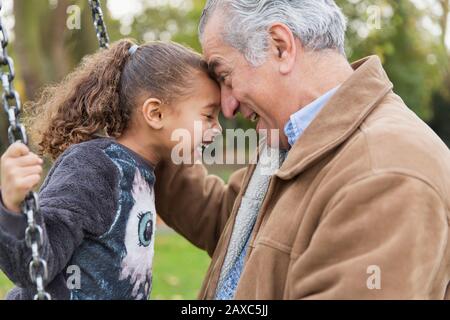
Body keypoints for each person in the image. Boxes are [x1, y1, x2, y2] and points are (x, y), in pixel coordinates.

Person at [154, 0, 450, 299]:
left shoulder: (386, 173)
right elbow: (231, 225)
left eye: (225, 76)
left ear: (280, 46)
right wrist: (149, 133)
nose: (228, 106)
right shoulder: (295, 138)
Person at [0, 39, 222, 299]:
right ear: (156, 113)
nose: (217, 129)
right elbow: (36, 265)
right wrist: (12, 207)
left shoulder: (142, 168)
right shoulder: (93, 167)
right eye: (208, 116)